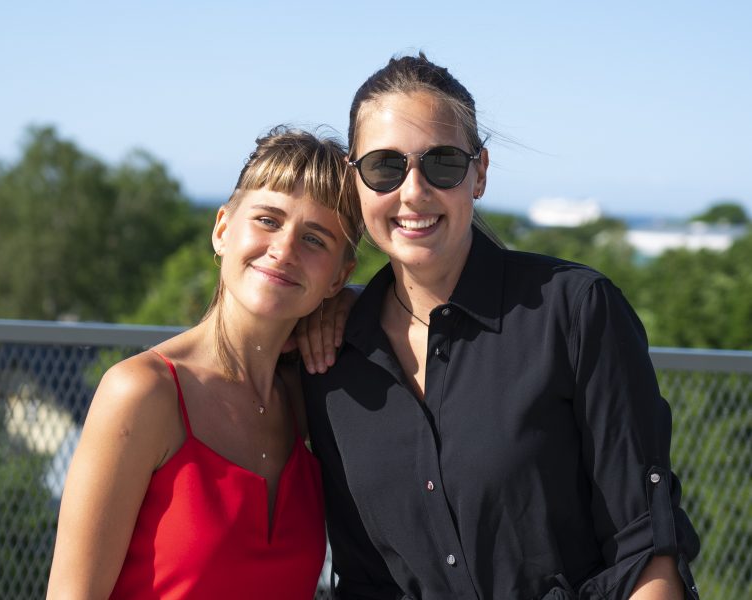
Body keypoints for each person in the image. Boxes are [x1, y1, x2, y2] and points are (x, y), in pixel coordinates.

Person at [297, 54, 701, 600]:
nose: (413, 191)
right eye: (384, 167)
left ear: (480, 173)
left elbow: (648, 554)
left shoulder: (576, 313)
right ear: (356, 182)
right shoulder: (331, 358)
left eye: (442, 163)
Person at [46, 126, 360, 599]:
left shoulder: (308, 401)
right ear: (222, 230)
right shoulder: (143, 392)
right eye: (268, 220)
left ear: (338, 277)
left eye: (315, 239)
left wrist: (355, 300)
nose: (284, 250)